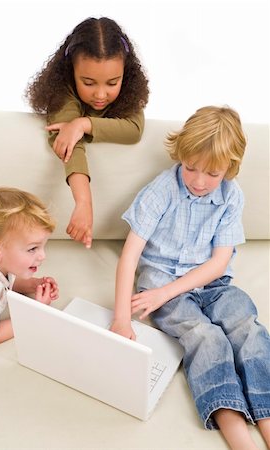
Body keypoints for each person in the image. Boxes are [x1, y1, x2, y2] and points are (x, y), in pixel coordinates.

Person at [110, 106, 270, 450]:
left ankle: (267, 417)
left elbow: (218, 263)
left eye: (212, 173)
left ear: (230, 168)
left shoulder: (231, 196)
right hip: (162, 287)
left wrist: (170, 290)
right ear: (180, 156)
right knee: (206, 337)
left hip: (212, 283)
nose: (198, 181)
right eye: (191, 167)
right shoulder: (161, 190)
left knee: (247, 328)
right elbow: (130, 256)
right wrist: (122, 319)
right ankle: (239, 436)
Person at [26, 16, 149, 249]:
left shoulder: (129, 94)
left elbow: (133, 130)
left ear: (126, 73)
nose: (101, 95)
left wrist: (82, 124)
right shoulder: (62, 96)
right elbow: (70, 145)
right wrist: (83, 203)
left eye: (112, 83)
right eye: (89, 83)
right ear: (71, 70)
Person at [0, 187, 59, 345]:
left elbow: (5, 281)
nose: (43, 256)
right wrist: (36, 310)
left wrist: (33, 285)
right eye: (33, 248)